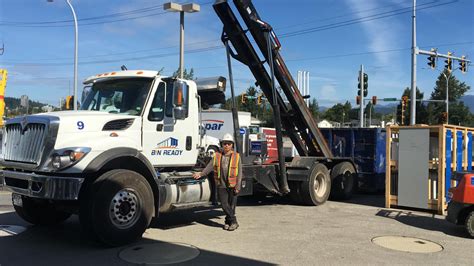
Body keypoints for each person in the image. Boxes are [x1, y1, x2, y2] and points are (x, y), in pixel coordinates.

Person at [193, 133, 242, 231]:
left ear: (232, 145)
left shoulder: (236, 157)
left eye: (229, 144)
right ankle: (234, 221)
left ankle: (228, 222)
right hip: (221, 185)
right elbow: (209, 167)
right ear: (222, 145)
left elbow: (240, 173)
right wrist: (201, 174)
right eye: (225, 144)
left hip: (232, 185)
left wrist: (238, 186)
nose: (226, 146)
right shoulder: (217, 156)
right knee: (224, 205)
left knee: (231, 206)